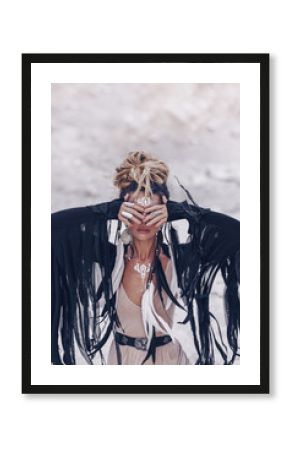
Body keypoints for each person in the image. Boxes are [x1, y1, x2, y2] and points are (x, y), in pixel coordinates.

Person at [51, 150, 240, 365]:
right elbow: (50, 227)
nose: (143, 220)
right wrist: (107, 210)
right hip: (122, 362)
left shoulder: (179, 258)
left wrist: (179, 211)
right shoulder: (110, 257)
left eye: (151, 211)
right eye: (135, 210)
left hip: (170, 363)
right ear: (123, 209)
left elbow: (240, 234)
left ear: (163, 209)